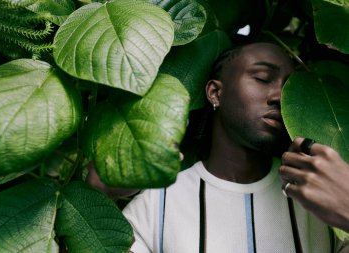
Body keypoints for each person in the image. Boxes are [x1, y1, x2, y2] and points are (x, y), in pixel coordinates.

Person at [120, 42, 349, 252]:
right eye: (262, 77)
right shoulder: (159, 203)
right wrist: (99, 195)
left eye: (289, 87)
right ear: (215, 93)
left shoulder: (318, 196)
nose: (280, 96)